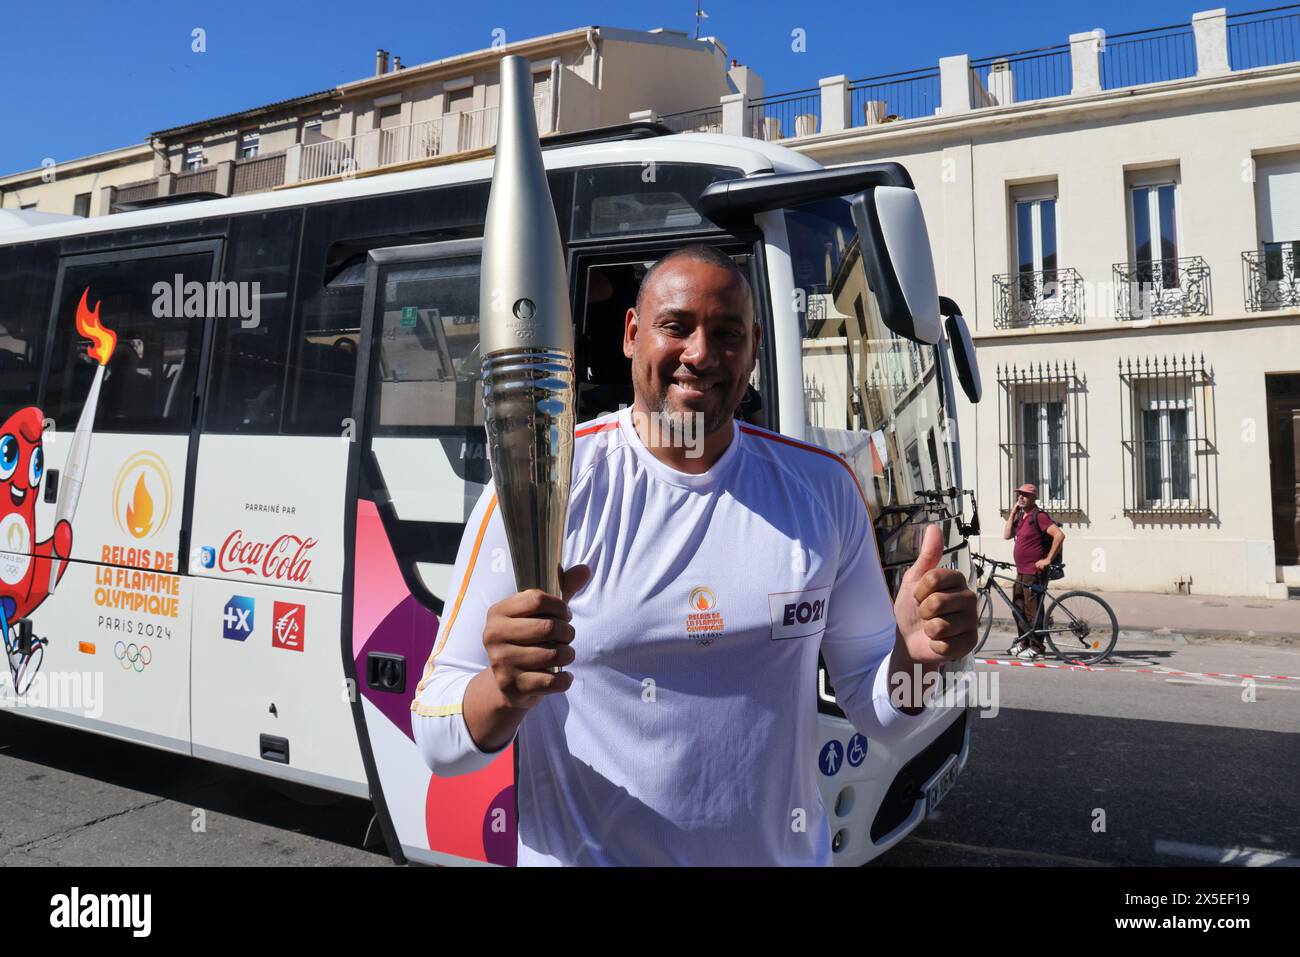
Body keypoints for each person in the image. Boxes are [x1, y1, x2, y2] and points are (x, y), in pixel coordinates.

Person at [410, 243, 979, 865]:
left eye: (727, 333)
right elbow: (439, 737)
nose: (701, 354)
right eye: (675, 326)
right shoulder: (546, 484)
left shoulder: (821, 489)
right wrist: (504, 689)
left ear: (753, 348)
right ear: (632, 334)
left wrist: (917, 659)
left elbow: (881, 717)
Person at [1002, 482, 1066, 660]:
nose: (1021, 497)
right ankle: (1024, 642)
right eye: (1019, 495)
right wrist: (1014, 512)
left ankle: (1037, 647)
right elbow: (1007, 535)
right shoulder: (1022, 517)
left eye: (1025, 495)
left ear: (1033, 498)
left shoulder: (1039, 516)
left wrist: (1047, 560)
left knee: (1033, 610)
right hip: (1022, 571)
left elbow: (1059, 535)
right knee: (1018, 608)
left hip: (1034, 572)